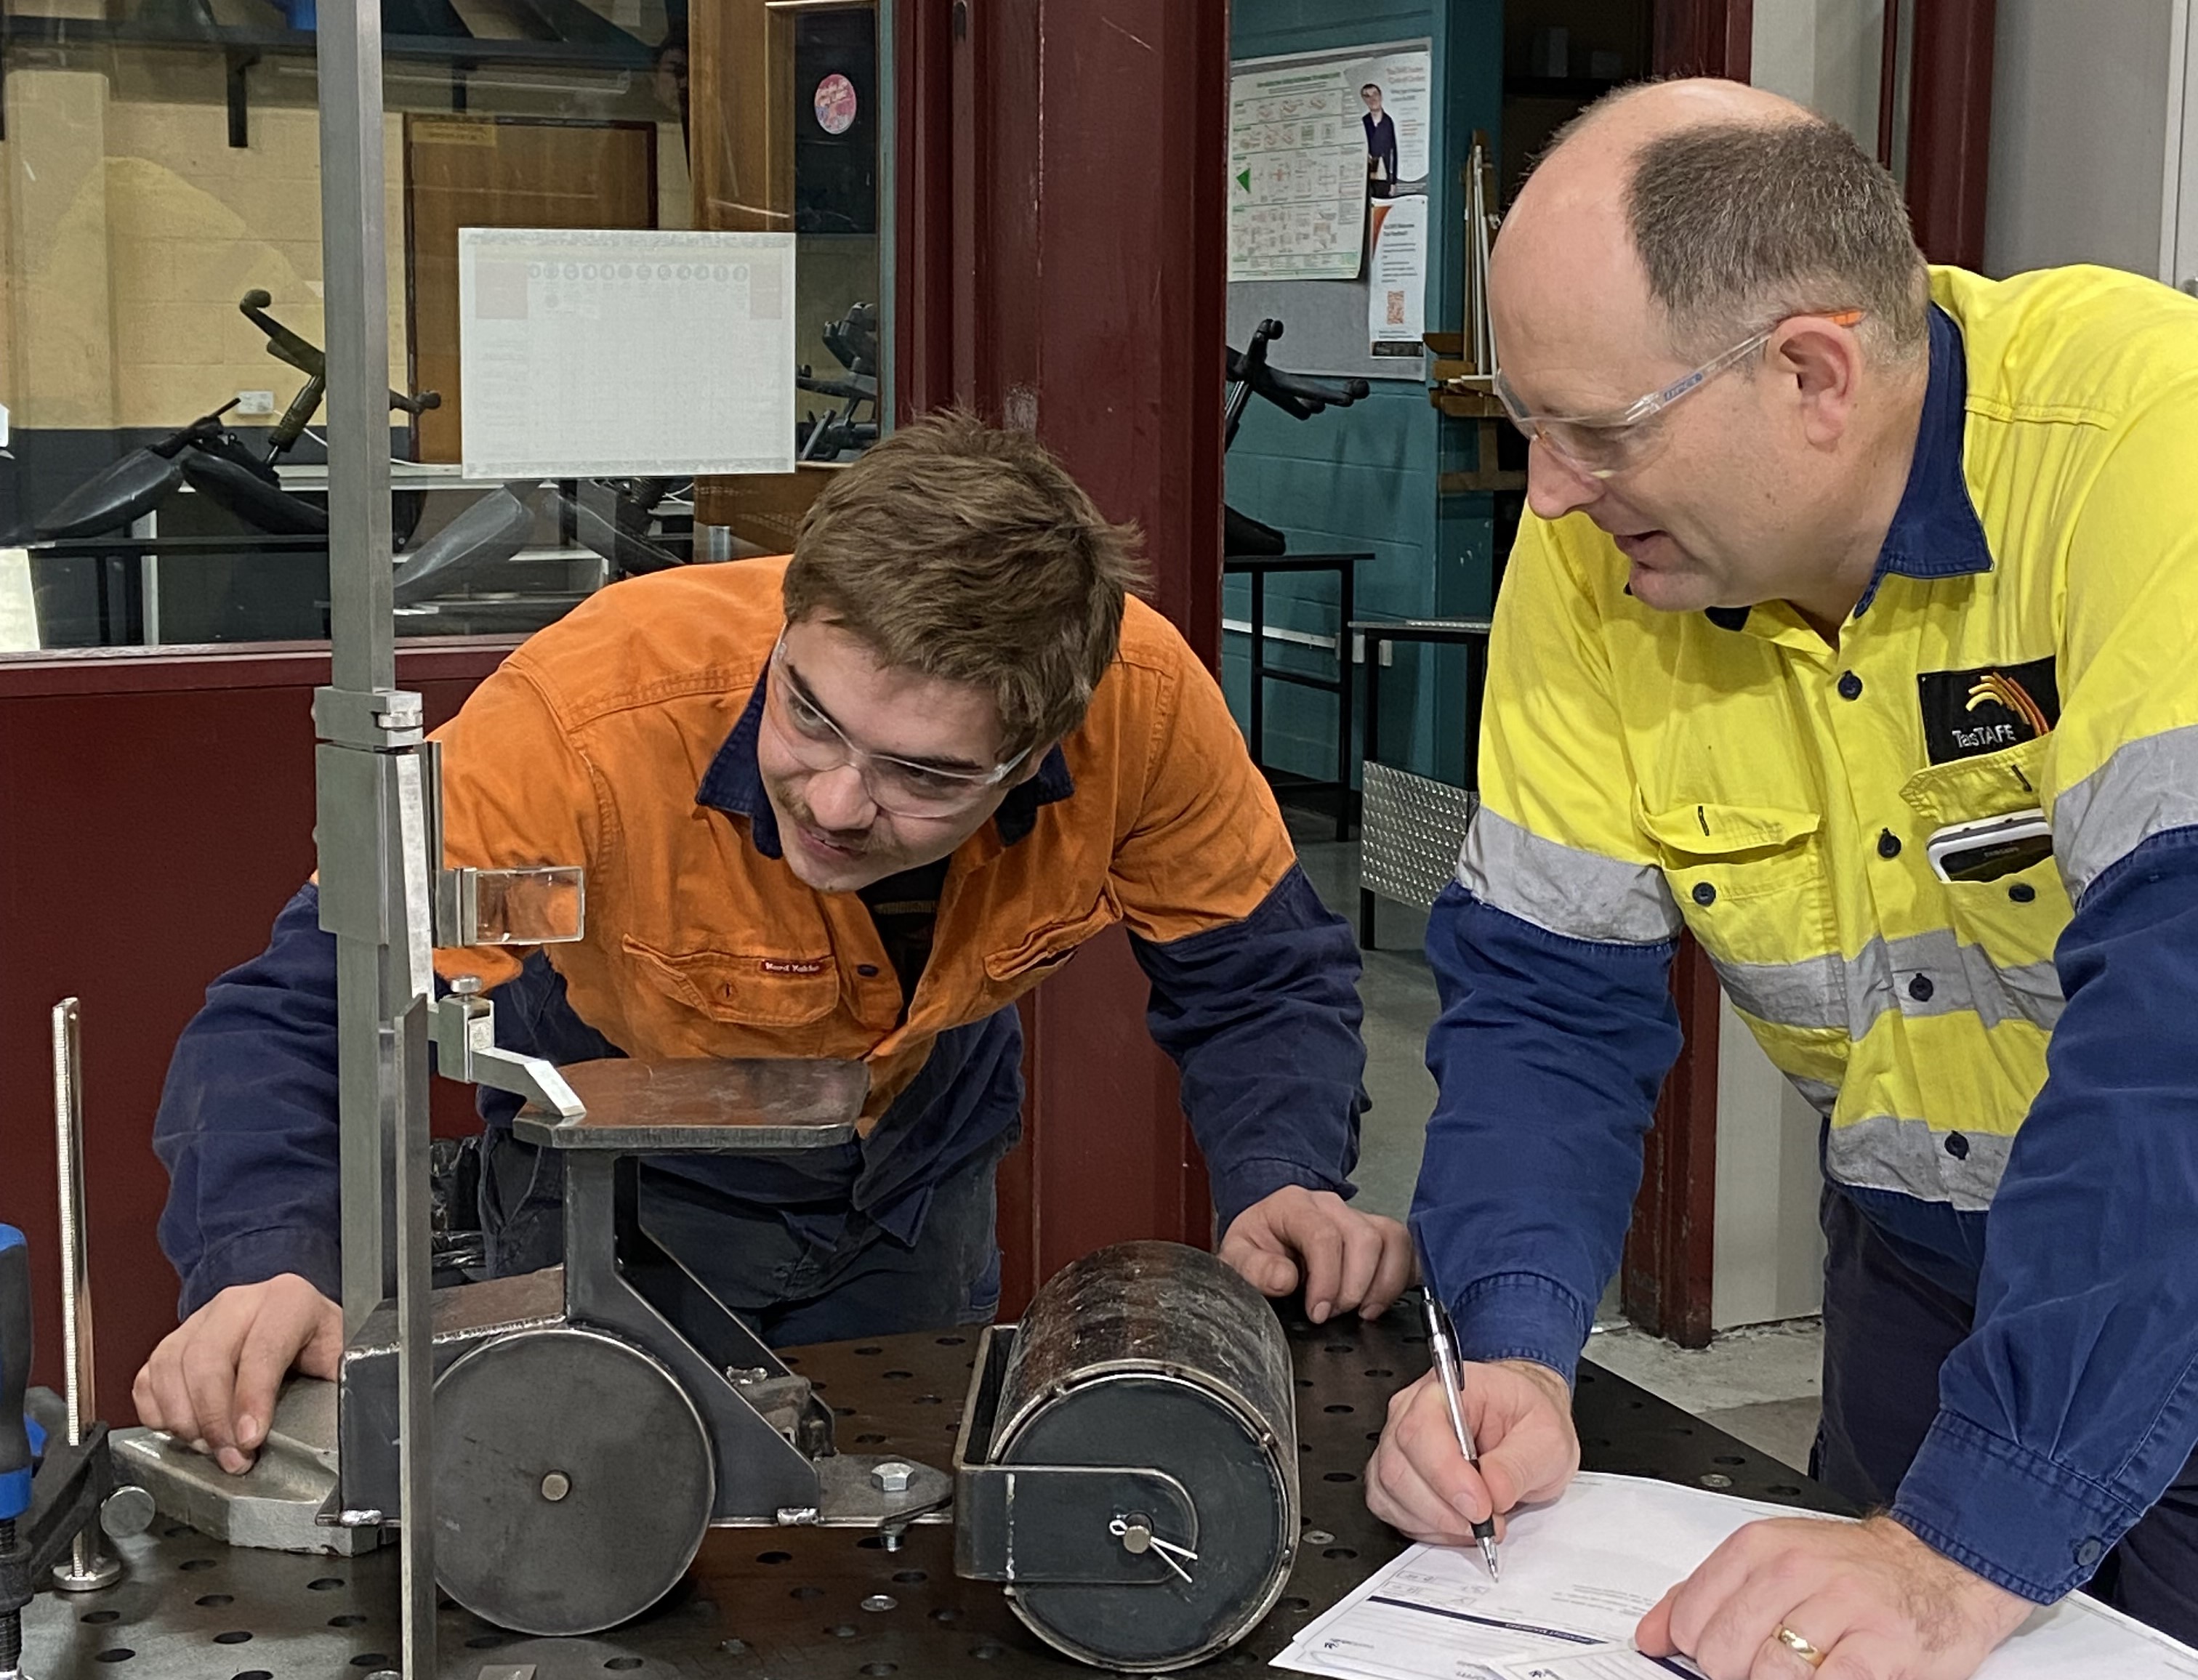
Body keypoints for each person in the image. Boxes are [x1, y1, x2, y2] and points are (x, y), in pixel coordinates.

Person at [140, 411, 1412, 1477]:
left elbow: (1255, 973)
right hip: (617, 1185)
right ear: (789, 619)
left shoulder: (1140, 708)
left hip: (916, 1179)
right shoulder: (585, 724)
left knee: (894, 1545)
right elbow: (314, 1005)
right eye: (809, 716)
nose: (838, 802)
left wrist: (1283, 1175)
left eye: (923, 772)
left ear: (1035, 750)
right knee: (587, 1521)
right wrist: (268, 1257)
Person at [1366, 76, 2198, 1679]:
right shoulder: (1598, 557)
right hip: (1917, 1273)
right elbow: (1545, 993)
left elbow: (2184, 1033)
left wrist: (1970, 1540)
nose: (1545, 494)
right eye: (1529, 425)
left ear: (1812, 369)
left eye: (1595, 433)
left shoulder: (2145, 449)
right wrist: (1516, 1352)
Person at [1361, 84, 1399, 193]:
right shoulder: (1363, 122)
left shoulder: (1389, 122)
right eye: (1367, 96)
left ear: (1381, 96)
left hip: (1384, 180)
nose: (1372, 99)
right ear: (1364, 100)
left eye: (1375, 94)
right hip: (1366, 181)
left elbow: (1394, 153)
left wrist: (1393, 181)